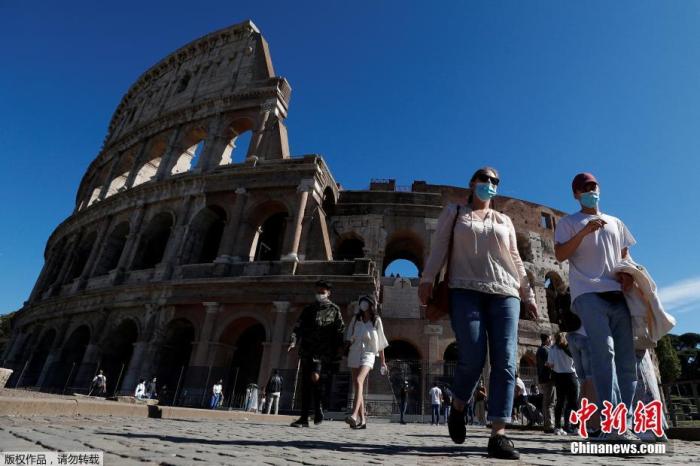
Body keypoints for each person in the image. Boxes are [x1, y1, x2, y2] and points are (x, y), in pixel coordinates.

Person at [419, 167, 538, 460]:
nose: (490, 184)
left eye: (495, 181)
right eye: (484, 178)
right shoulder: (456, 212)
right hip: (464, 289)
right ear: (472, 183)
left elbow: (516, 259)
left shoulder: (504, 220)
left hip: (505, 292)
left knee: (506, 361)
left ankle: (499, 432)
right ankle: (458, 406)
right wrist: (426, 279)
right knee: (471, 356)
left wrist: (528, 294)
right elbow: (438, 250)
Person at [554, 172, 639, 443]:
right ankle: (612, 424)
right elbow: (559, 254)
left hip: (617, 293)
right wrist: (584, 231)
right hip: (587, 292)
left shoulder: (616, 222)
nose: (591, 190)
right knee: (605, 353)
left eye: (594, 186)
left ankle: (624, 424)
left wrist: (627, 274)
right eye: (585, 188)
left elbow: (626, 256)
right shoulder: (568, 222)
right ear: (576, 194)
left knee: (627, 361)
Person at [288, 280, 346, 428]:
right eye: (318, 291)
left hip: (323, 352)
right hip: (307, 349)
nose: (319, 294)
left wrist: (342, 349)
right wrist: (293, 340)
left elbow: (340, 331)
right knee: (306, 383)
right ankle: (304, 417)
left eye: (322, 292)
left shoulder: (334, 310)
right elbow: (299, 326)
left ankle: (318, 408)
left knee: (315, 378)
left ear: (328, 293)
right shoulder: (309, 309)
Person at [344, 295, 389, 429]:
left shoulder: (376, 320)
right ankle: (363, 420)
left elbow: (381, 342)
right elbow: (348, 337)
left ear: (371, 305)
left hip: (369, 354)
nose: (362, 304)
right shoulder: (356, 319)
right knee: (358, 386)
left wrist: (383, 362)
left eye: (365, 302)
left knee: (359, 380)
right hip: (355, 352)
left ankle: (353, 415)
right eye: (361, 302)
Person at [546, 333, 579, 435]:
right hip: (571, 376)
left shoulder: (552, 349)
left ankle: (557, 427)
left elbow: (550, 364)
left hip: (559, 377)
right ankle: (575, 427)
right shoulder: (570, 347)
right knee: (573, 403)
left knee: (560, 402)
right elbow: (576, 360)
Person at [536, 334, 556, 433]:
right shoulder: (544, 350)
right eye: (550, 338)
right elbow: (547, 364)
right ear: (547, 339)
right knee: (549, 402)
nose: (551, 340)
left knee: (547, 402)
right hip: (548, 378)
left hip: (544, 379)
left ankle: (548, 424)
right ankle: (549, 425)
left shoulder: (542, 349)